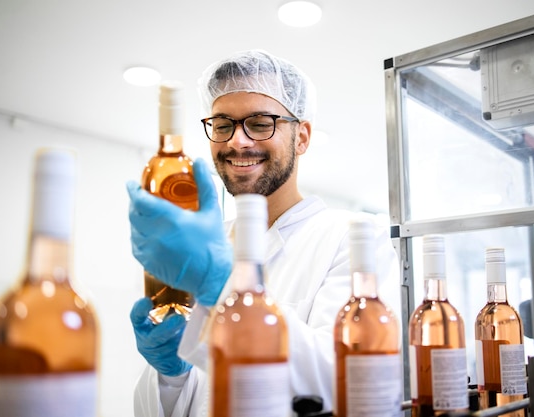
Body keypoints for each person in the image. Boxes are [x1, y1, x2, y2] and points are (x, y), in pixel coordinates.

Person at [126, 49, 401, 417]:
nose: (237, 141)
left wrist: (220, 284)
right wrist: (171, 375)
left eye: (259, 123)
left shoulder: (353, 240)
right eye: (223, 124)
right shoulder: (207, 246)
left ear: (301, 137)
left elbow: (351, 383)